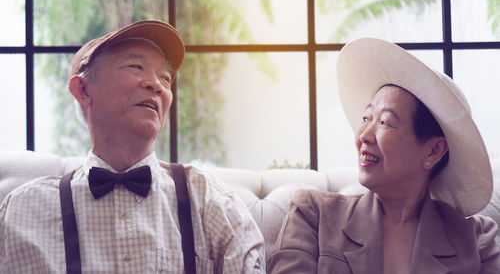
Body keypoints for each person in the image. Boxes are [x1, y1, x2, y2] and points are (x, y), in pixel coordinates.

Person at [0, 20, 265, 273]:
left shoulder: (210, 201)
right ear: (82, 90)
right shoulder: (23, 211)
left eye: (165, 78)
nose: (156, 85)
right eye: (135, 66)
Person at [268, 38, 500, 273]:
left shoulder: (478, 241)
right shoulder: (313, 216)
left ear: (433, 150)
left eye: (385, 122)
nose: (364, 136)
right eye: (366, 118)